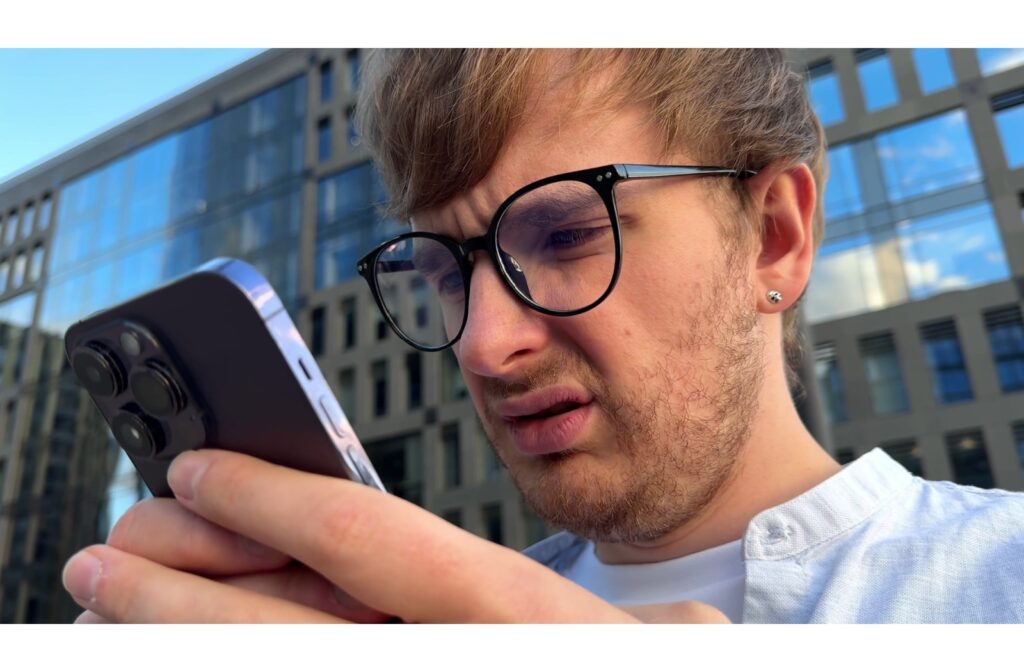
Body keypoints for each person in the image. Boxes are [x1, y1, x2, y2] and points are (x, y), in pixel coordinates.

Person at [62, 49, 1024, 624]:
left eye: (564, 235)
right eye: (444, 273)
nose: (483, 346)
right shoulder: (411, 626)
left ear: (774, 236)